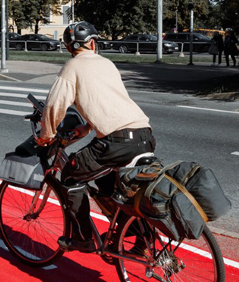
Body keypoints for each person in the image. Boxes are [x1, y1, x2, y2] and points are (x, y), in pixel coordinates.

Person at [34, 22, 156, 252]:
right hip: (144, 134)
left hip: (116, 141)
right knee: (104, 178)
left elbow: (54, 104)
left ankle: (83, 238)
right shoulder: (107, 63)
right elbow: (109, 101)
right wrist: (88, 127)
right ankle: (137, 234)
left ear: (70, 48)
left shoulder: (72, 66)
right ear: (92, 43)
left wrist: (46, 135)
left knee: (70, 175)